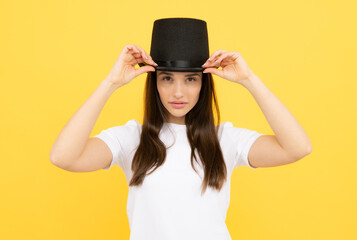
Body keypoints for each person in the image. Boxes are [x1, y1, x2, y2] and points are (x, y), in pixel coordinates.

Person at [50, 18, 312, 240]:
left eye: (190, 79)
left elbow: (298, 148)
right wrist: (110, 83)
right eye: (166, 79)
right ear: (154, 82)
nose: (178, 92)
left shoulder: (225, 140)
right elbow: (63, 157)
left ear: (203, 83)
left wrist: (249, 80)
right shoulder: (131, 138)